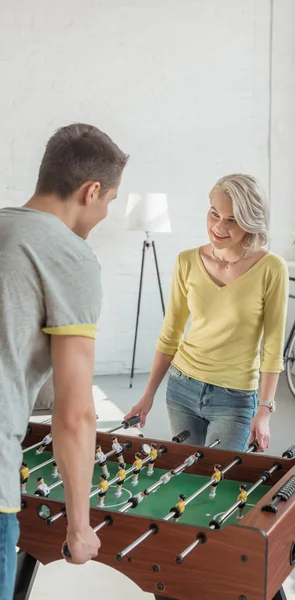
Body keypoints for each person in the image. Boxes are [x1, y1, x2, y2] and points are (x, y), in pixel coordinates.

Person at [0, 123, 128, 599]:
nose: (105, 212)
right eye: (110, 201)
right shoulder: (70, 257)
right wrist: (79, 526)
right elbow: (74, 414)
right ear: (91, 190)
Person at [125, 174, 288, 456]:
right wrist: (147, 395)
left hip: (235, 398)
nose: (218, 226)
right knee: (185, 479)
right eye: (215, 213)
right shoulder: (187, 261)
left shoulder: (272, 269)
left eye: (232, 220)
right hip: (182, 387)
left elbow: (273, 346)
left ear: (250, 222)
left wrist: (265, 411)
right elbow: (171, 333)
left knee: (218, 482)